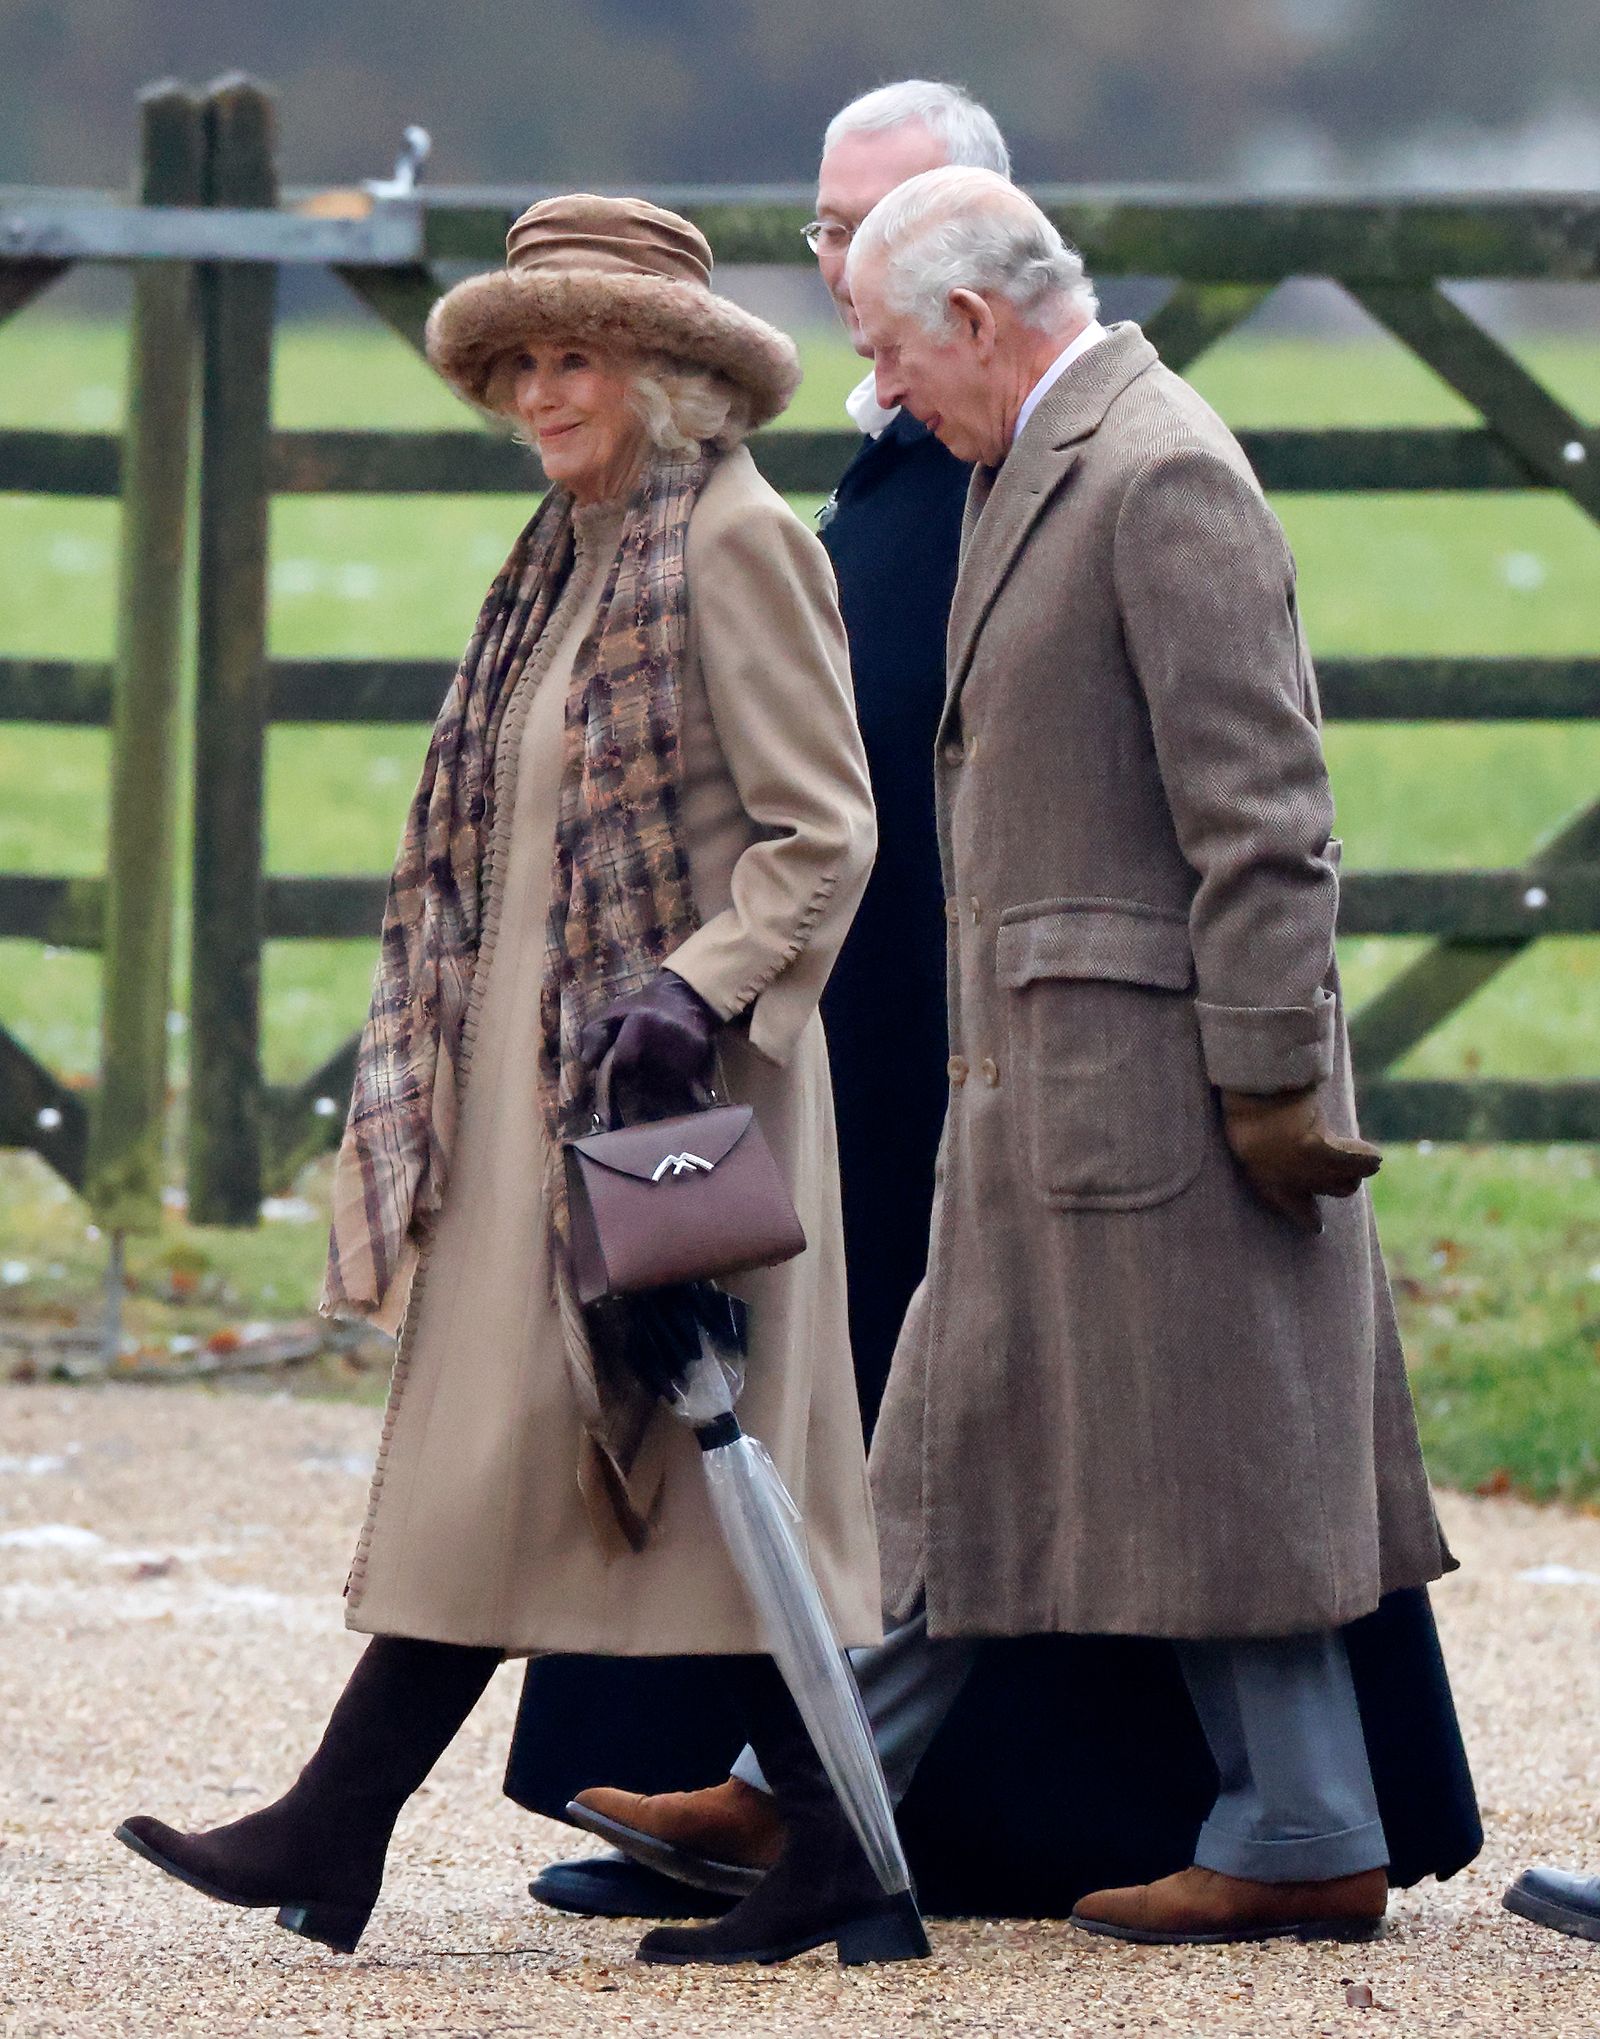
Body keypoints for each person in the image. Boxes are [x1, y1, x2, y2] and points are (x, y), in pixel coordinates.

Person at [550, 104, 1479, 1932]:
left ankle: (1289, 1835)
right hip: (1047, 1070)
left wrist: (1277, 1080)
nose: (881, 380)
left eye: (894, 346)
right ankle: (814, 1794)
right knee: (976, 1443)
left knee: (1208, 1454)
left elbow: (1266, 812)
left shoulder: (1158, 475)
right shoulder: (1042, 461)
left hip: (1155, 1080)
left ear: (977, 319)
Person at [113, 192, 929, 1970]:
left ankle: (363, 1824)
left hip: (673, 1107)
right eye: (528, 361)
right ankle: (353, 1826)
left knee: (694, 1457)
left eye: (583, 359)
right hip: (528, 1094)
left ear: (670, 378)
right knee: (543, 1457)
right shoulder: (566, 552)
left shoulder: (731, 540)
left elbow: (826, 834)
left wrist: (691, 990)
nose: (546, 393)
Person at [510, 78, 1003, 1922]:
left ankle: (849, 1811)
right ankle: (751, 1792)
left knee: (845, 1403)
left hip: (913, 994)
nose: (850, 267)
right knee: (738, 1386)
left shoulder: (988, 467)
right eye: (826, 233)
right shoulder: (836, 477)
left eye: (890, 228)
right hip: (782, 1002)